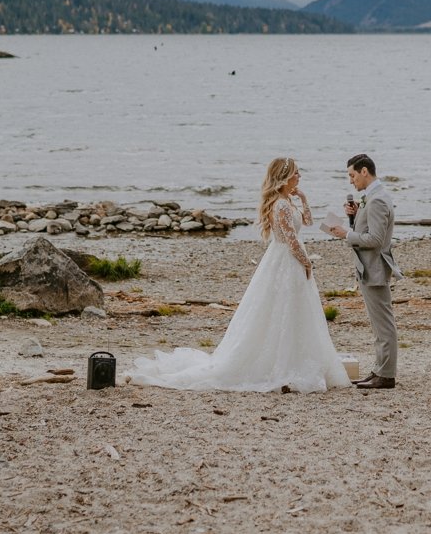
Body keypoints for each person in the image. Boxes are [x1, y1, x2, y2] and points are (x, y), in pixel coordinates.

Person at [126, 158, 350, 392]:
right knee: (281, 307)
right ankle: (280, 362)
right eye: (296, 173)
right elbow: (291, 240)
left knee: (295, 309)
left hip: (289, 260)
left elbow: (308, 221)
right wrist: (307, 262)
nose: (299, 176)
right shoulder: (280, 205)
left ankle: (293, 357)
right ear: (284, 177)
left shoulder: (288, 201)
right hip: (286, 260)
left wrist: (303, 199)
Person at [325, 153, 401, 389]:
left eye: (352, 175)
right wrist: (356, 215)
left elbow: (376, 239)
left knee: (383, 324)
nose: (351, 181)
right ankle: (380, 369)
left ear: (364, 172)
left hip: (375, 268)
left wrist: (345, 234)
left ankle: (386, 374)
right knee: (378, 324)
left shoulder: (377, 199)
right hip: (369, 268)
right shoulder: (373, 197)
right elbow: (370, 228)